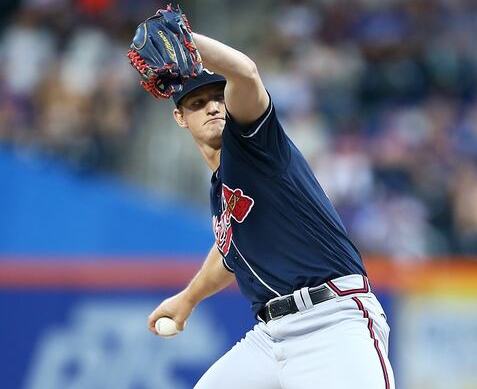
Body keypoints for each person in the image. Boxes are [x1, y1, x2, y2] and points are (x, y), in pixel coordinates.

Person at [146, 30, 395, 389]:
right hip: (271, 336)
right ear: (180, 118)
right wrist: (188, 299)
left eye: (218, 97)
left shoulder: (255, 143)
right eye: (197, 103)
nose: (213, 107)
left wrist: (183, 37)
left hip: (333, 322)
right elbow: (229, 252)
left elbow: (245, 72)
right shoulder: (222, 185)